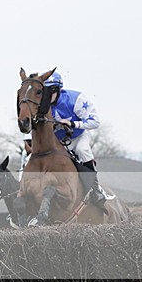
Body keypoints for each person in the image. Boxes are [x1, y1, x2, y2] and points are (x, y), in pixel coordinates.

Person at [44, 71, 105, 208]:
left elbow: (95, 122)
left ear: (58, 89)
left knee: (82, 150)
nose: (47, 94)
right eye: (45, 90)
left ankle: (96, 189)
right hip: (59, 142)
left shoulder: (76, 99)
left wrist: (72, 124)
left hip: (79, 136)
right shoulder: (43, 104)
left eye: (51, 90)